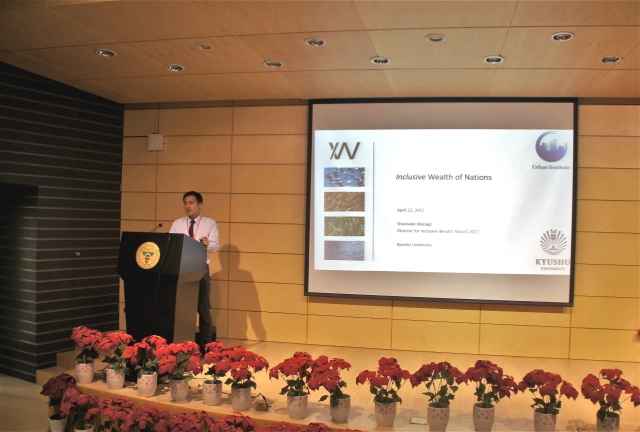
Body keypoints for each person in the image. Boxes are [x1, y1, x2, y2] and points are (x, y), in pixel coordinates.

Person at [169, 191, 219, 345]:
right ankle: (181, 345)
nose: (187, 206)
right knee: (181, 310)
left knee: (203, 309)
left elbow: (215, 246)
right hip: (181, 270)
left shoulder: (209, 223)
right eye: (185, 203)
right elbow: (171, 244)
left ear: (200, 205)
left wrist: (207, 244)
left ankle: (206, 346)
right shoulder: (177, 224)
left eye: (191, 203)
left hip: (200, 269)